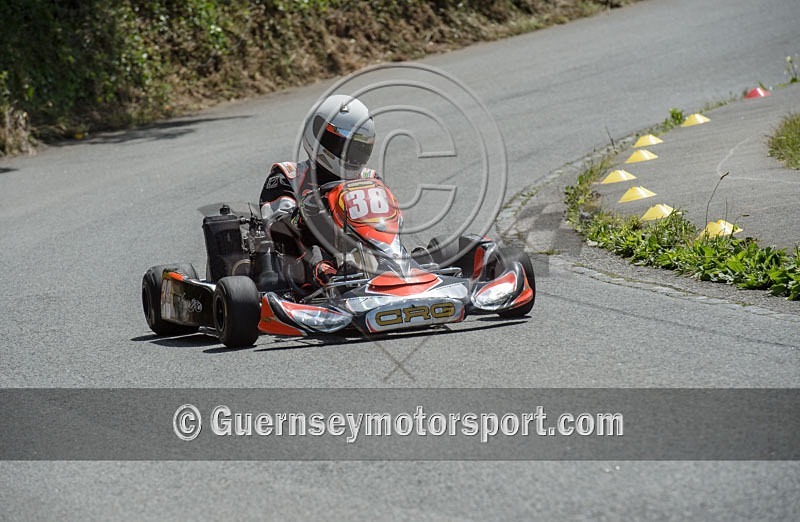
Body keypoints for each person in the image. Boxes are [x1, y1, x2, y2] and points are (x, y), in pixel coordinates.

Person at [256, 94, 378, 291]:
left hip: (363, 249)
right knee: (315, 248)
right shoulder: (288, 175)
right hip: (303, 260)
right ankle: (331, 280)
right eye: (343, 145)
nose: (351, 154)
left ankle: (404, 271)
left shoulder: (369, 178)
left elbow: (390, 221)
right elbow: (277, 229)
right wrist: (303, 214)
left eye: (358, 147)